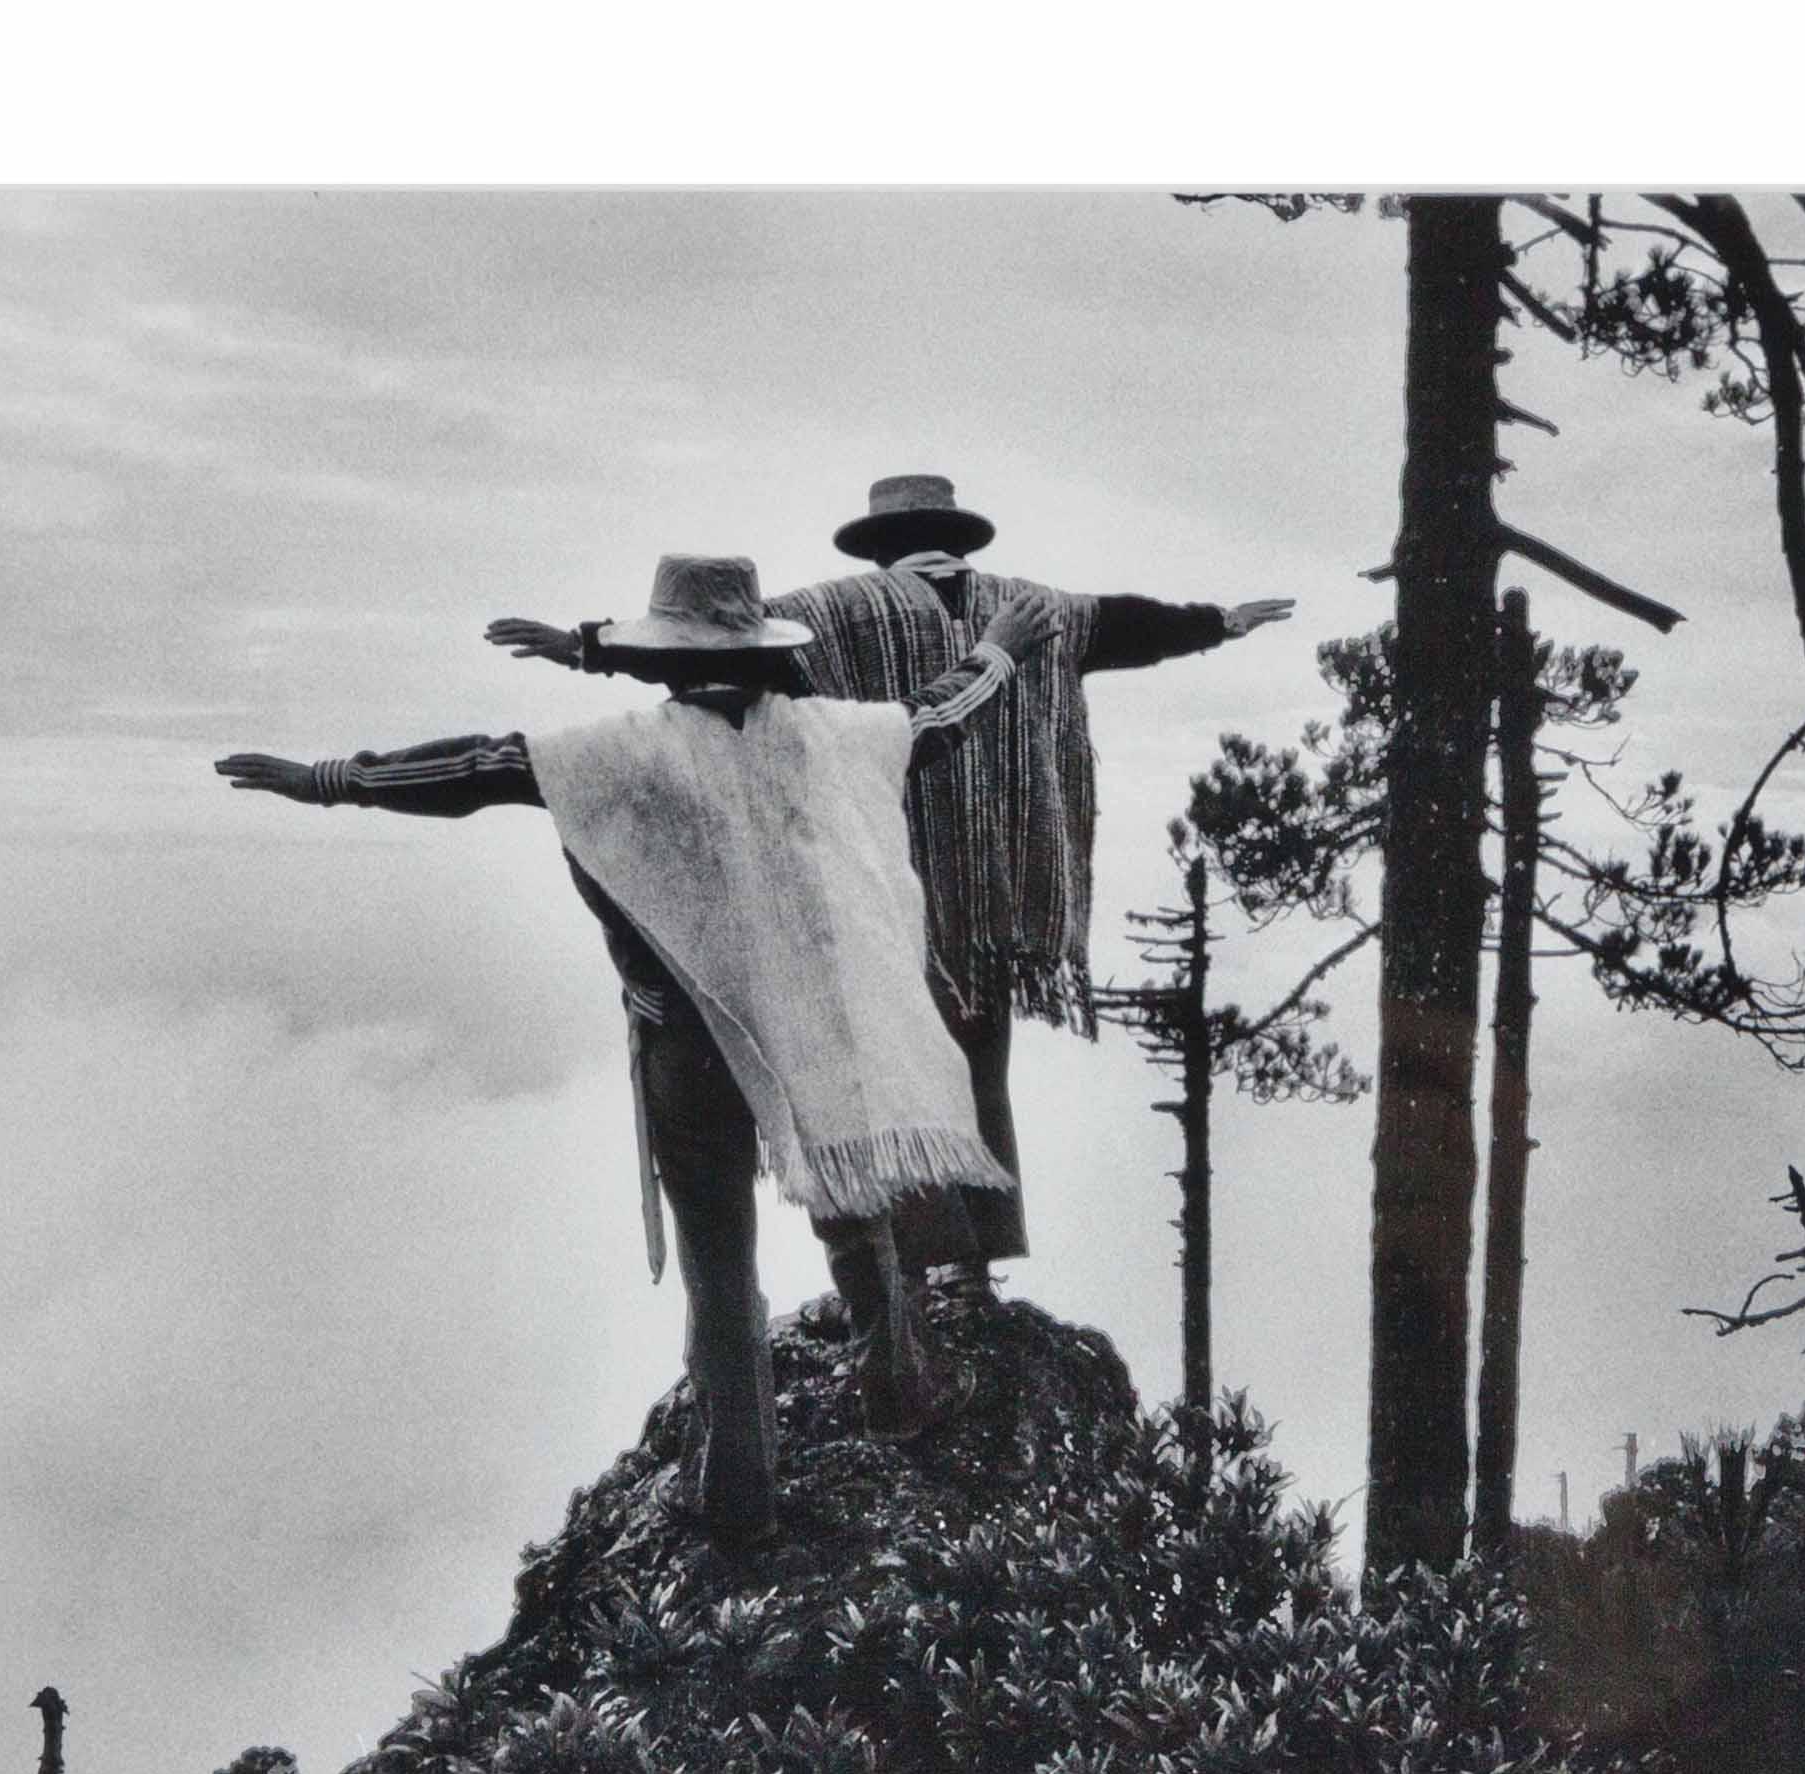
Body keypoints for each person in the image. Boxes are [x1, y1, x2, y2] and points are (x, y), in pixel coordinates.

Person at [215, 555, 1063, 1548]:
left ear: (659, 662)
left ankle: (738, 1491)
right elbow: (934, 717)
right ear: (759, 654)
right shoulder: (831, 739)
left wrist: (327, 781)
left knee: (719, 1264)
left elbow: (478, 768)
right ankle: (900, 1387)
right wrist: (999, 650)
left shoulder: (615, 756)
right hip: (810, 1026)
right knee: (853, 1203)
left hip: (685, 1046)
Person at [486, 475, 1293, 1279]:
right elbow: (1135, 624)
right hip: (1001, 890)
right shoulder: (1039, 608)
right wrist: (1222, 623)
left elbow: (718, 647)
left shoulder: (835, 613)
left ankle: (930, 1269)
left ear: (878, 546)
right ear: (960, 538)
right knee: (981, 1067)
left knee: (902, 1073)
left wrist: (588, 648)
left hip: (882, 879)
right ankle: (983, 1258)